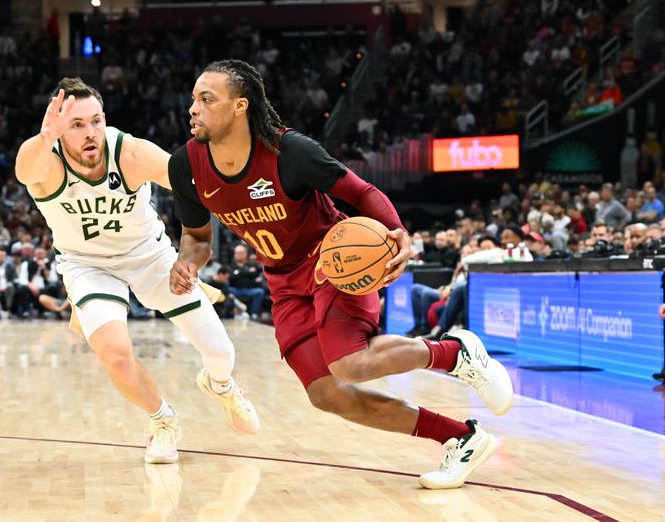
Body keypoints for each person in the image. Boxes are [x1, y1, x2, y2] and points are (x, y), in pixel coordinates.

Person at [168, 60, 513, 490]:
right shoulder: (186, 164)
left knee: (349, 363)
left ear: (240, 106)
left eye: (206, 99)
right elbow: (196, 236)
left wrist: (398, 232)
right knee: (326, 393)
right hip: (282, 278)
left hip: (332, 260)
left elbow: (361, 192)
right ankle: (462, 439)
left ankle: (455, 353)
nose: (193, 109)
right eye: (194, 99)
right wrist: (188, 261)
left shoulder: (288, 151)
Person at [14, 77, 259, 465]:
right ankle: (162, 420)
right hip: (87, 265)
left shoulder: (130, 152)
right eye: (76, 125)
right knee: (115, 354)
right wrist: (45, 137)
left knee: (220, 351)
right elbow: (24, 170)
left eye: (95, 121)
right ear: (59, 130)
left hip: (150, 257)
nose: (90, 133)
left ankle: (222, 385)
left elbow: (195, 188)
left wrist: (189, 254)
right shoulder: (45, 161)